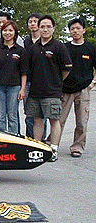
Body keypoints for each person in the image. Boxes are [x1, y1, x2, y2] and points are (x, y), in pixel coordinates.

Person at [26, 15, 72, 161]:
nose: (45, 29)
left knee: (54, 120)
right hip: (35, 92)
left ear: (53, 28)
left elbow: (66, 69)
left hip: (52, 92)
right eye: (42, 27)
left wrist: (56, 81)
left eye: (48, 26)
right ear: (38, 28)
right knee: (37, 120)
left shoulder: (59, 47)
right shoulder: (33, 48)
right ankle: (38, 149)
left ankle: (53, 150)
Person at [51, 18, 96, 157]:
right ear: (69, 31)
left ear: (84, 30)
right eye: (72, 29)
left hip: (83, 89)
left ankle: (77, 147)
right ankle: (53, 145)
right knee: (59, 120)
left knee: (82, 121)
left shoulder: (90, 48)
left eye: (78, 28)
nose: (75, 31)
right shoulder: (64, 47)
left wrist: (93, 83)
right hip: (65, 89)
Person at [0, 20, 27, 134]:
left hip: (14, 87)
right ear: (1, 32)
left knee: (12, 116)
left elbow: (24, 72)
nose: (7, 33)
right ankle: (1, 142)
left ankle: (14, 141)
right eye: (5, 30)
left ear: (15, 33)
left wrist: (23, 89)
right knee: (0, 117)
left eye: (10, 30)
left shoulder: (20, 50)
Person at [23, 13, 47, 138]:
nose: (33, 23)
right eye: (30, 21)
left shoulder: (45, 42)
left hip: (43, 82)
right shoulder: (25, 42)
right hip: (27, 81)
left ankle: (42, 141)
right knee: (29, 114)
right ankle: (29, 139)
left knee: (42, 115)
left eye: (35, 21)